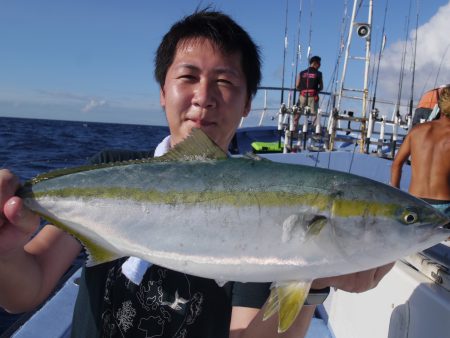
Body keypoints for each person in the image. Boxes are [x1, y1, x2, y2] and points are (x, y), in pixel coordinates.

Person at [0, 9, 393, 338]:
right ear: (162, 91)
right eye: (188, 78)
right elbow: (26, 288)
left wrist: (315, 281)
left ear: (246, 105)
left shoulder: (268, 210)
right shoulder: (110, 170)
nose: (204, 97)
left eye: (224, 82)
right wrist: (4, 250)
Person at [391, 86, 450, 216]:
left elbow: (396, 165)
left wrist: (395, 196)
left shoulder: (417, 131)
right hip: (445, 205)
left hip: (415, 202)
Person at [293, 56, 323, 131]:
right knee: (315, 115)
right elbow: (321, 87)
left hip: (302, 96)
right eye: (319, 63)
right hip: (313, 97)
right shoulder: (319, 74)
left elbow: (297, 86)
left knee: (298, 114)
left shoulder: (302, 73)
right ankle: (315, 132)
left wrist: (302, 90)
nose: (320, 65)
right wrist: (317, 90)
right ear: (315, 63)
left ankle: (293, 129)